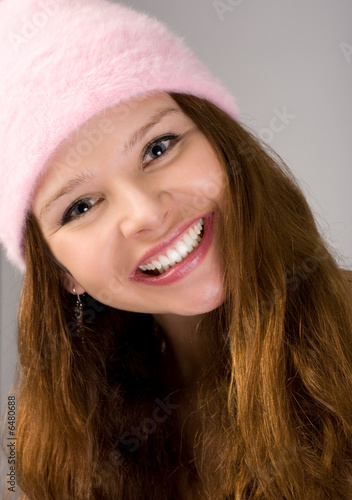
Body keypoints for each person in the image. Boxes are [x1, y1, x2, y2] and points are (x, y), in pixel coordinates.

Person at [1, 0, 352, 499]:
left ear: (220, 141)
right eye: (80, 207)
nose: (145, 213)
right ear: (60, 271)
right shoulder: (54, 433)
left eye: (158, 147)